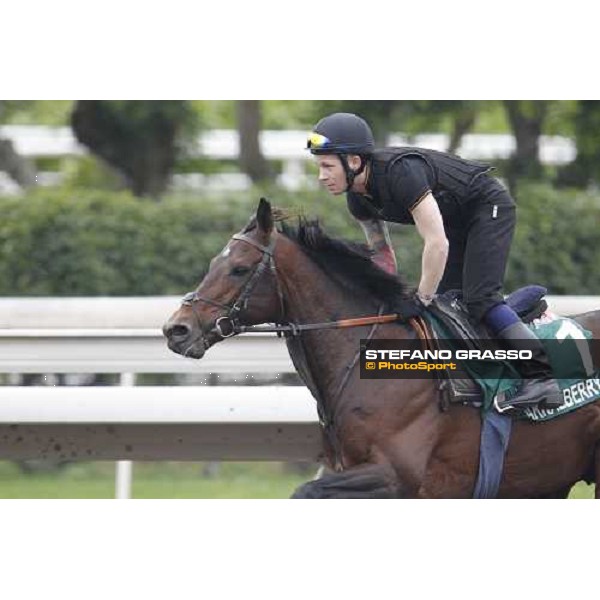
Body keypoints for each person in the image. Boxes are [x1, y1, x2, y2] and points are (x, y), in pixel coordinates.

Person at [306, 112, 562, 412]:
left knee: (480, 298)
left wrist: (421, 297)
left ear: (353, 162)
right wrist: (384, 297)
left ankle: (544, 378)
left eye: (326, 166)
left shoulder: (401, 173)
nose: (321, 176)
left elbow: (437, 244)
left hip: (488, 207)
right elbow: (382, 255)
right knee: (450, 305)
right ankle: (484, 377)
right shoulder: (357, 199)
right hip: (456, 221)